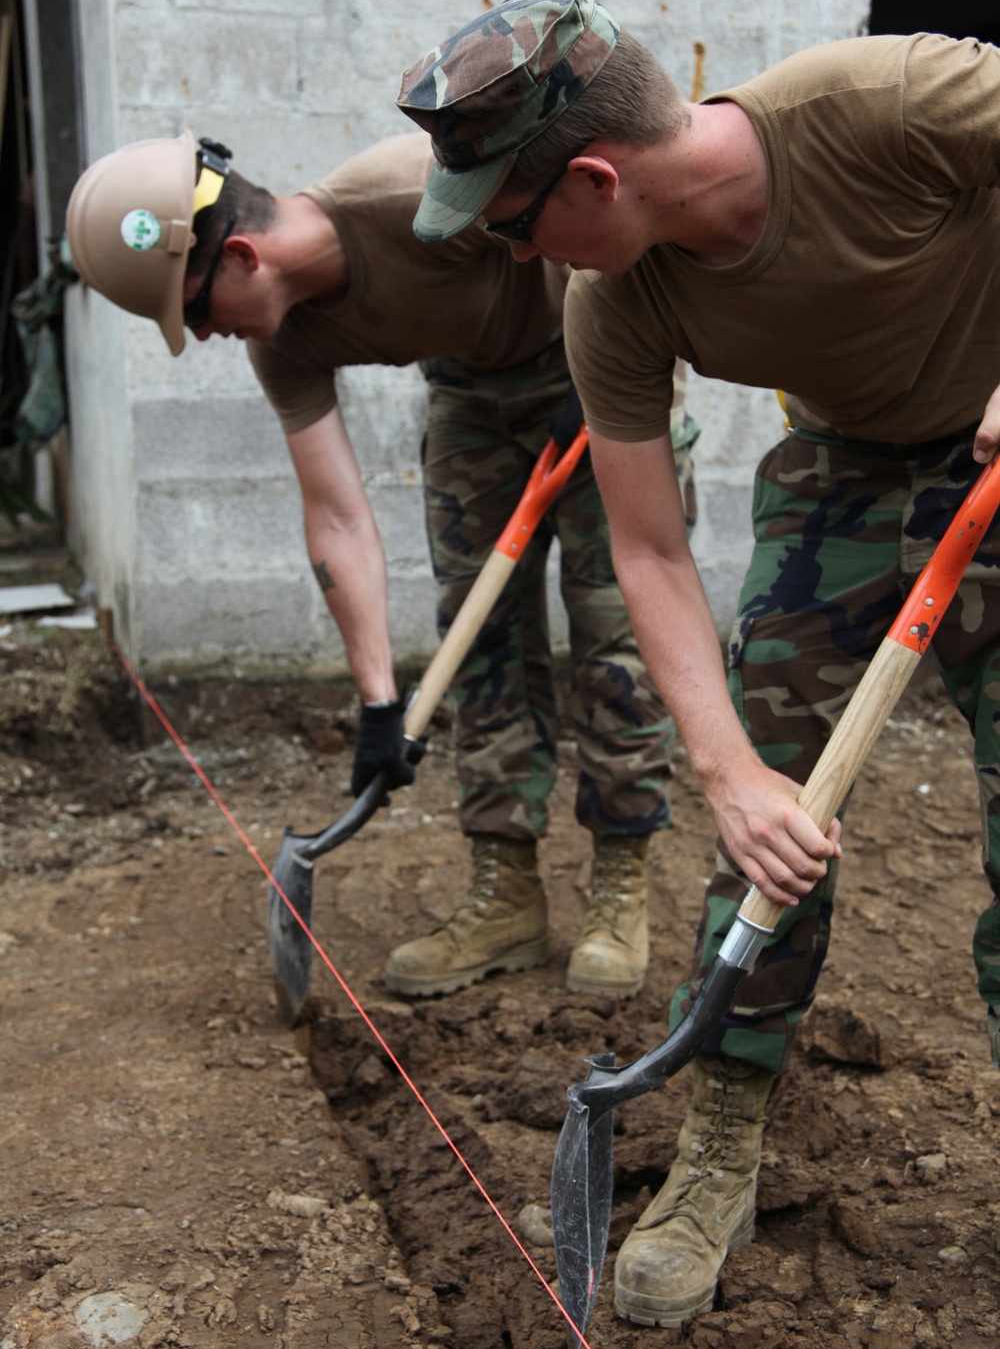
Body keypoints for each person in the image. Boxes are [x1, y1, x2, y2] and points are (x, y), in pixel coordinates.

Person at [397, 0, 1000, 1328]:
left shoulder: (877, 102)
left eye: (511, 221)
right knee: (761, 822)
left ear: (597, 180)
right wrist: (727, 775)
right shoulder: (611, 305)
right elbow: (651, 553)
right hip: (842, 474)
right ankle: (720, 1137)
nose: (509, 257)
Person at [65, 127, 698, 1001]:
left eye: (198, 310)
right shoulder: (282, 341)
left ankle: (620, 886)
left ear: (243, 255)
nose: (205, 335)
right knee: (480, 647)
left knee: (614, 631)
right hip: (472, 397)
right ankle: (504, 891)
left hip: (598, 363)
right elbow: (334, 513)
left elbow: (608, 219)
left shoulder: (413, 193)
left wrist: (604, 375)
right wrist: (377, 703)